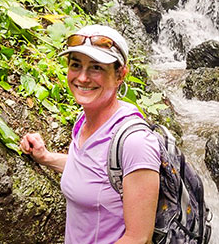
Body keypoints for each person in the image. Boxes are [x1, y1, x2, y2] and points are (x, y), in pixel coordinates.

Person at [20, 25, 161, 244]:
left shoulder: (135, 143)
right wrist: (46, 157)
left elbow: (139, 238)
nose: (83, 78)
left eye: (96, 68)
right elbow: (92, 173)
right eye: (76, 65)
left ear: (120, 75)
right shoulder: (84, 120)